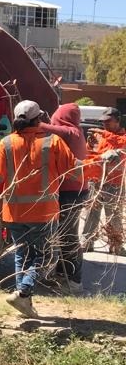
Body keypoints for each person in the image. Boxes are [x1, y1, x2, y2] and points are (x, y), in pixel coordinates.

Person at [0, 99, 77, 318]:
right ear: (39, 119)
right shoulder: (53, 142)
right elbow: (74, 169)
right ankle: (23, 292)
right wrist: (101, 161)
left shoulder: (6, 144)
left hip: (14, 212)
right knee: (44, 256)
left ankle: (24, 303)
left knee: (23, 254)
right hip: (43, 212)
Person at [39, 103, 88, 292]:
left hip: (71, 192)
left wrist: (31, 120)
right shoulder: (74, 132)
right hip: (72, 190)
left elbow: (45, 128)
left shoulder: (70, 132)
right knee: (63, 234)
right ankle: (62, 275)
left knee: (67, 235)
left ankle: (74, 281)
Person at [82, 108, 126, 256]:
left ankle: (116, 246)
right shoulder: (100, 136)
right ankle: (87, 242)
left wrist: (103, 134)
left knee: (114, 216)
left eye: (108, 121)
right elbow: (91, 154)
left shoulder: (122, 137)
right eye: (103, 122)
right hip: (96, 181)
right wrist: (89, 144)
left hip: (114, 183)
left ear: (118, 120)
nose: (105, 124)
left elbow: (122, 144)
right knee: (91, 214)